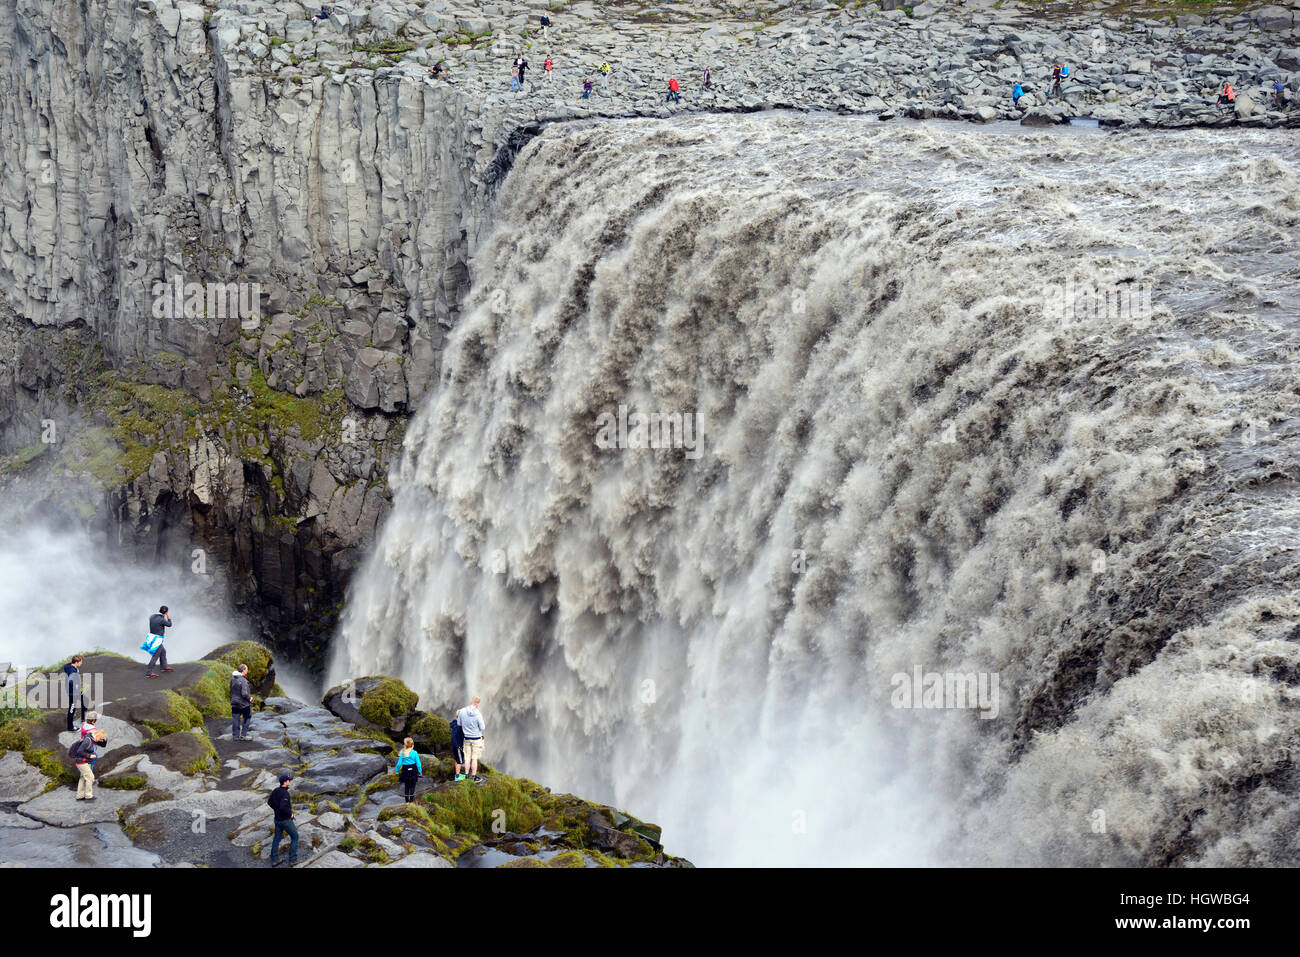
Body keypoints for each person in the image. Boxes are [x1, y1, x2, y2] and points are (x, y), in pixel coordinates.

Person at [267, 773, 299, 866]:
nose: (290, 781)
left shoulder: (276, 790)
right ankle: (293, 860)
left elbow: (269, 802)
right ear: (285, 782)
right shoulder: (285, 793)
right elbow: (283, 807)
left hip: (277, 819)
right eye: (289, 780)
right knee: (295, 837)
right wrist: (291, 814)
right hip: (285, 820)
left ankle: (275, 859)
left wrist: (276, 810)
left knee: (277, 838)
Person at [456, 696, 486, 780]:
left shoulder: (462, 711)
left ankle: (466, 775)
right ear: (477, 704)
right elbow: (483, 727)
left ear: (471, 702)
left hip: (466, 738)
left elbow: (459, 724)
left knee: (467, 757)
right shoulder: (478, 714)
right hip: (476, 739)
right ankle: (473, 776)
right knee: (474, 758)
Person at [72, 729, 107, 801]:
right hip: (82, 761)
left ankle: (80, 796)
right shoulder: (88, 740)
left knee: (83, 777)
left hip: (85, 762)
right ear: (97, 736)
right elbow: (79, 751)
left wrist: (105, 739)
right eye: (100, 738)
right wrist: (89, 756)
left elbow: (103, 745)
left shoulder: (94, 740)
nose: (100, 740)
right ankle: (88, 796)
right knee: (90, 777)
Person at [145, 606, 173, 678]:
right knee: (155, 656)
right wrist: (168, 616)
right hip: (157, 639)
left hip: (151, 637)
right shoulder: (162, 619)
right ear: (165, 612)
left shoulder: (151, 616)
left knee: (163, 651)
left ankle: (164, 667)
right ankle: (149, 672)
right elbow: (169, 624)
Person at [394, 737, 422, 802]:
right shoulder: (415, 753)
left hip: (405, 770)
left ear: (405, 744)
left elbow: (399, 763)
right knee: (413, 785)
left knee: (406, 786)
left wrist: (396, 770)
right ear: (412, 744)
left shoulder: (402, 752)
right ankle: (411, 801)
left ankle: (407, 801)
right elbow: (418, 763)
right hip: (413, 769)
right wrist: (420, 772)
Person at [63, 654, 85, 732]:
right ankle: (70, 727)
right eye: (80, 662)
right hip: (73, 692)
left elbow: (65, 667)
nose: (81, 663)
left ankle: (83, 719)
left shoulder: (70, 666)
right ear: (76, 662)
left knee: (84, 700)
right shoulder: (71, 670)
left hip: (77, 691)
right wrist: (75, 685)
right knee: (72, 708)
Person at [231, 664, 252, 741]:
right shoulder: (243, 681)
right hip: (244, 704)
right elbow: (244, 694)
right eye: (247, 669)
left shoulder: (233, 678)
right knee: (247, 717)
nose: (247, 671)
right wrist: (250, 698)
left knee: (236, 718)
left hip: (234, 702)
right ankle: (243, 735)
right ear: (243, 670)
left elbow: (231, 689)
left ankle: (235, 736)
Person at [450, 714, 466, 781]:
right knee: (460, 761)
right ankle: (457, 777)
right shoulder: (459, 726)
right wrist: (458, 746)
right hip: (457, 746)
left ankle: (457, 774)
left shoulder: (455, 724)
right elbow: (456, 737)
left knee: (457, 760)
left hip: (455, 745)